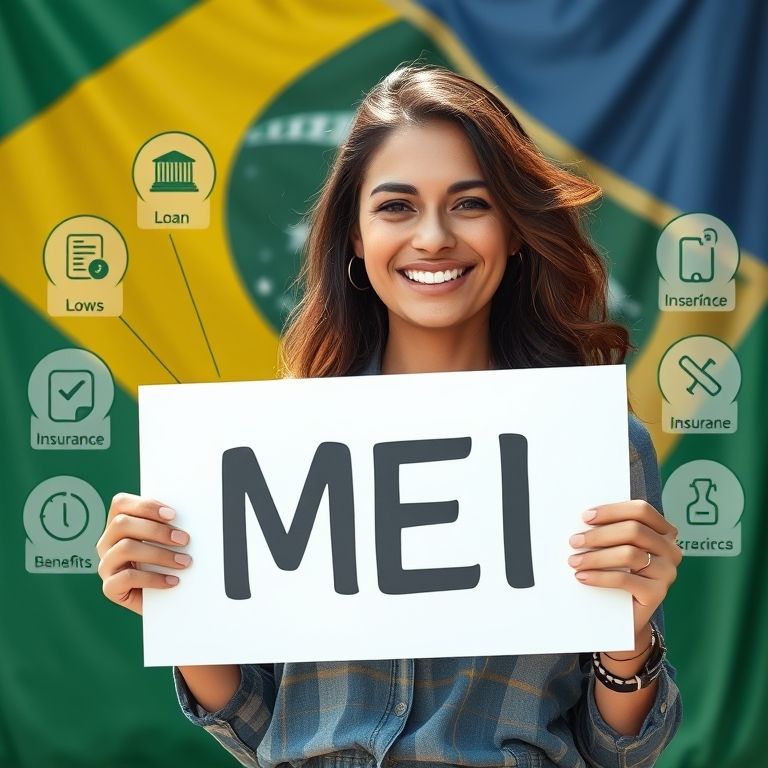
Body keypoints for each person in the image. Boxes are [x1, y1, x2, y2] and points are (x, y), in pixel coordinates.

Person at [97, 64, 682, 768]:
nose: (432, 237)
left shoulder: (598, 448)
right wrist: (177, 607)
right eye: (397, 206)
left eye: (470, 203)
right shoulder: (270, 447)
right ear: (354, 234)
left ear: (515, 230)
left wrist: (630, 640)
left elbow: (618, 754)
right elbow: (262, 734)